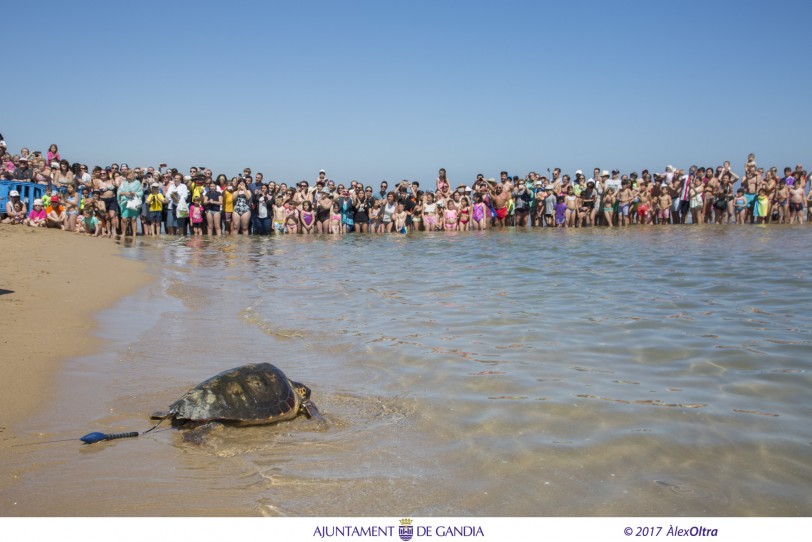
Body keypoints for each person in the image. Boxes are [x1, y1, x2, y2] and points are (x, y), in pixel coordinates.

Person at [118, 171, 144, 237]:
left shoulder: (137, 183)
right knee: (124, 219)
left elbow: (141, 193)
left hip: (134, 202)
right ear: (126, 175)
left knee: (133, 219)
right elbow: (119, 192)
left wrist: (135, 193)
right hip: (125, 202)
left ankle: (134, 234)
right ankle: (123, 233)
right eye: (129, 174)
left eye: (132, 174)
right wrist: (124, 193)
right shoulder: (123, 183)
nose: (130, 175)